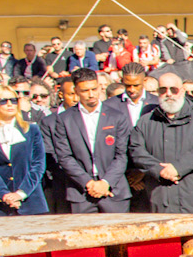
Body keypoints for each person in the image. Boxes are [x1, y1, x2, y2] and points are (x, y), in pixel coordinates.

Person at [127, 70, 193, 218]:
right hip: (161, 202)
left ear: (182, 91)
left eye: (173, 89)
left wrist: (178, 168)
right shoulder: (146, 121)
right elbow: (136, 150)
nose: (168, 94)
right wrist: (158, 170)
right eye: (163, 90)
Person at [47, 72, 132, 213]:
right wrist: (88, 183)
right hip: (81, 194)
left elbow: (121, 155)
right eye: (85, 91)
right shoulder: (65, 119)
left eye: (94, 89)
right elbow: (64, 157)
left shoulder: (116, 116)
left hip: (114, 191)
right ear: (76, 91)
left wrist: (105, 183)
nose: (91, 94)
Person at [0, 85, 46, 218]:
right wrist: (4, 194)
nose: (9, 104)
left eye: (13, 100)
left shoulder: (32, 129)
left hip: (31, 202)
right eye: (3, 101)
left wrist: (20, 194)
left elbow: (38, 165)